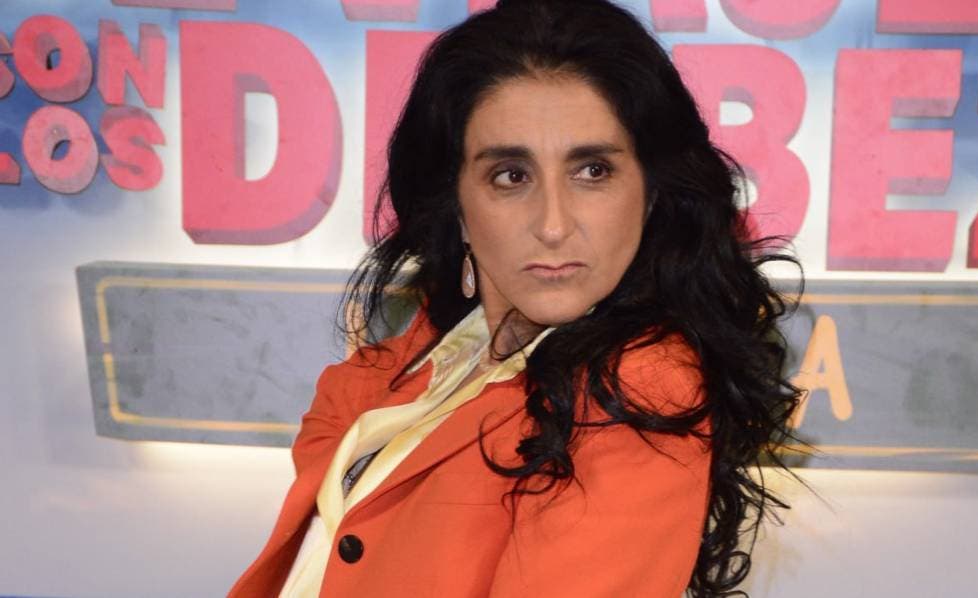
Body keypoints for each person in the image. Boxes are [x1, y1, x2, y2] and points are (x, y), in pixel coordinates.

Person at [229, 0, 804, 596]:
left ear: (651, 196)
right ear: (456, 205)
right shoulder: (412, 364)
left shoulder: (640, 389)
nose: (553, 225)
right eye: (511, 175)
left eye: (592, 171)